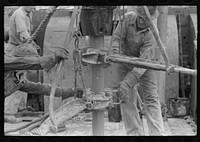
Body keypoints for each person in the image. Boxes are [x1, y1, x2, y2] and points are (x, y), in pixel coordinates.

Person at [111, 6, 164, 135]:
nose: (141, 21)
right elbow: (117, 37)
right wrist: (114, 51)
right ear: (137, 14)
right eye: (140, 18)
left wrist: (127, 82)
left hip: (146, 65)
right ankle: (134, 133)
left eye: (145, 20)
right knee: (125, 97)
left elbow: (142, 64)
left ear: (152, 19)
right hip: (124, 61)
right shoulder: (127, 18)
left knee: (151, 98)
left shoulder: (152, 34)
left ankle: (157, 133)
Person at [4, 44, 83, 123]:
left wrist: (69, 91)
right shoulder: (7, 62)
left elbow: (40, 88)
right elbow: (24, 62)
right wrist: (52, 58)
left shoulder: (18, 80)